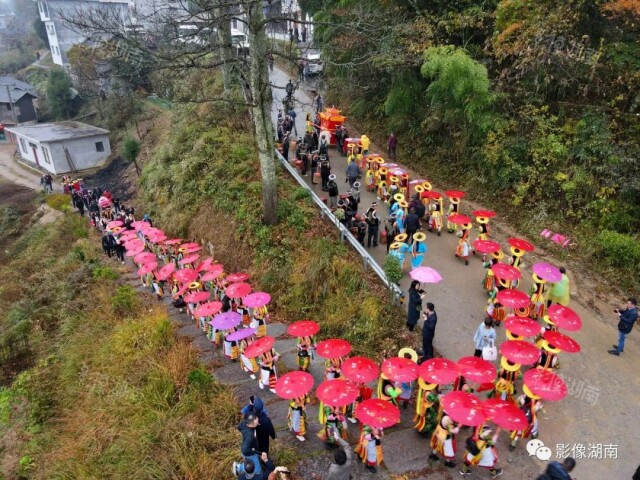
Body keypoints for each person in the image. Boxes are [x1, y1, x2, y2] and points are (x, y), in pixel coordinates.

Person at [234, 412, 263, 476]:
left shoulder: (244, 423)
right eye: (256, 420)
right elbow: (244, 449)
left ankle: (240, 467)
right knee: (258, 470)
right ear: (251, 424)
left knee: (252, 464)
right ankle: (238, 467)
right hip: (249, 453)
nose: (258, 419)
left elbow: (238, 427)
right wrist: (253, 451)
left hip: (248, 447)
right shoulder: (250, 435)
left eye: (256, 417)